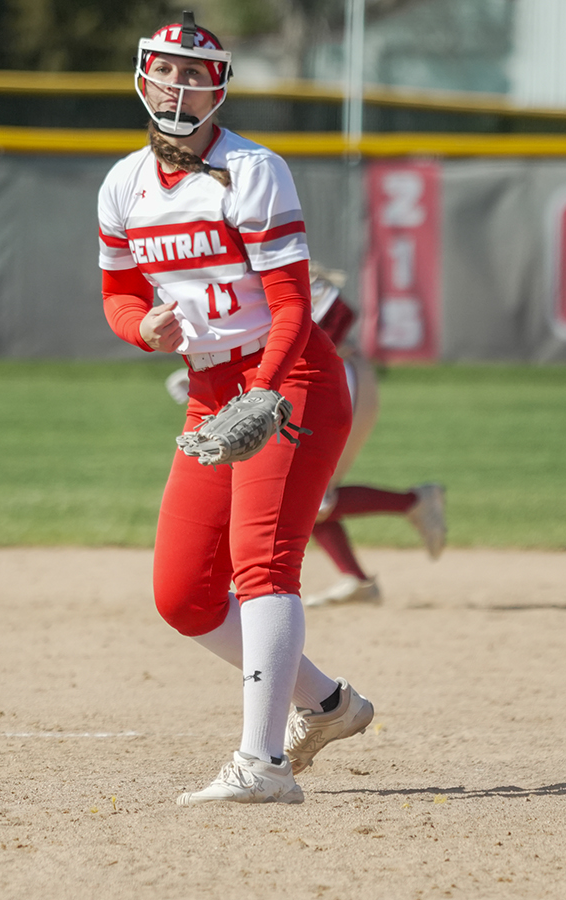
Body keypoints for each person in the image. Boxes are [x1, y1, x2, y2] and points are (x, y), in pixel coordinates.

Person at [97, 12, 374, 806]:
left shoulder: (252, 169)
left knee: (263, 564)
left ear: (217, 87)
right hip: (211, 387)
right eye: (165, 70)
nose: (177, 85)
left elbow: (292, 306)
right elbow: (118, 295)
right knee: (182, 595)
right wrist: (142, 329)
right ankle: (328, 705)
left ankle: (263, 764)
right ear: (143, 77)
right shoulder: (123, 184)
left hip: (290, 376)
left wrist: (266, 389)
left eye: (194, 74)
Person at [165, 263, 448, 608]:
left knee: (308, 493)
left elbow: (337, 315)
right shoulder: (228, 275)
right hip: (286, 386)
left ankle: (412, 503)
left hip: (335, 378)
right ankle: (357, 577)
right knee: (300, 489)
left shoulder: (271, 265)